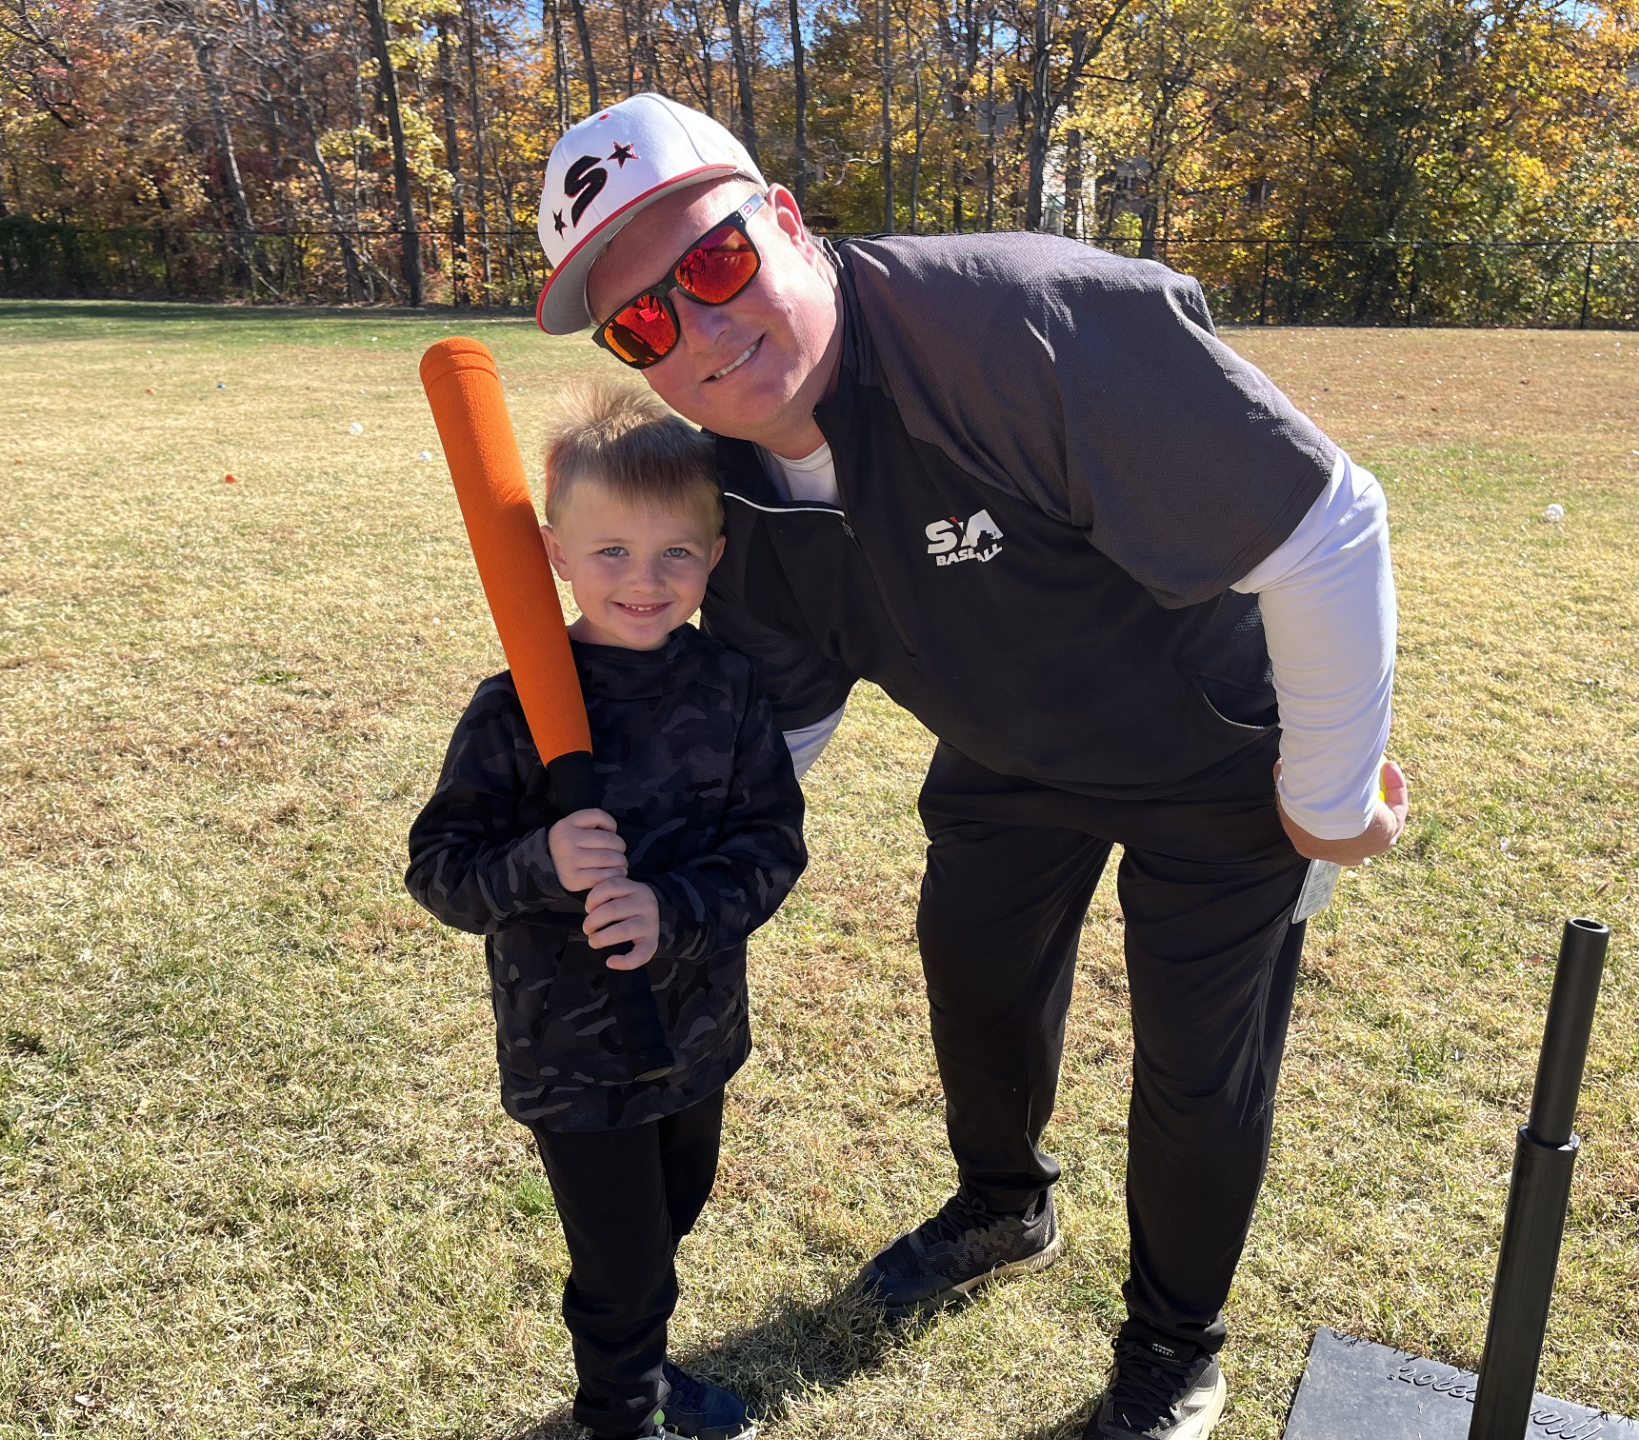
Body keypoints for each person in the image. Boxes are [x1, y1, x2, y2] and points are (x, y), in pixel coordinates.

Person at [532, 93, 1408, 1440]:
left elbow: (1329, 526)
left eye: (711, 263)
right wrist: (659, 865)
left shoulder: (1019, 324)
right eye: (644, 319)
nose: (700, 329)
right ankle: (1004, 1206)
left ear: (783, 220)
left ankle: (1176, 1348)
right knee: (976, 978)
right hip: (1003, 749)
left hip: (1210, 754)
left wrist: (1330, 803)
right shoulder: (733, 486)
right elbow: (784, 721)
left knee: (1196, 1068)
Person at [405, 382, 807, 1440]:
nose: (645, 578)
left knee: (671, 1219)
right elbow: (440, 871)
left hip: (695, 1030)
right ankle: (619, 1411)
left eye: (677, 551)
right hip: (570, 1054)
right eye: (612, 551)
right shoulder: (513, 711)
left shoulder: (728, 686)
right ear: (553, 552)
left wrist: (674, 908)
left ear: (715, 557)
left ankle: (650, 1376)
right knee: (621, 1260)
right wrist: (541, 860)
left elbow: (770, 844)